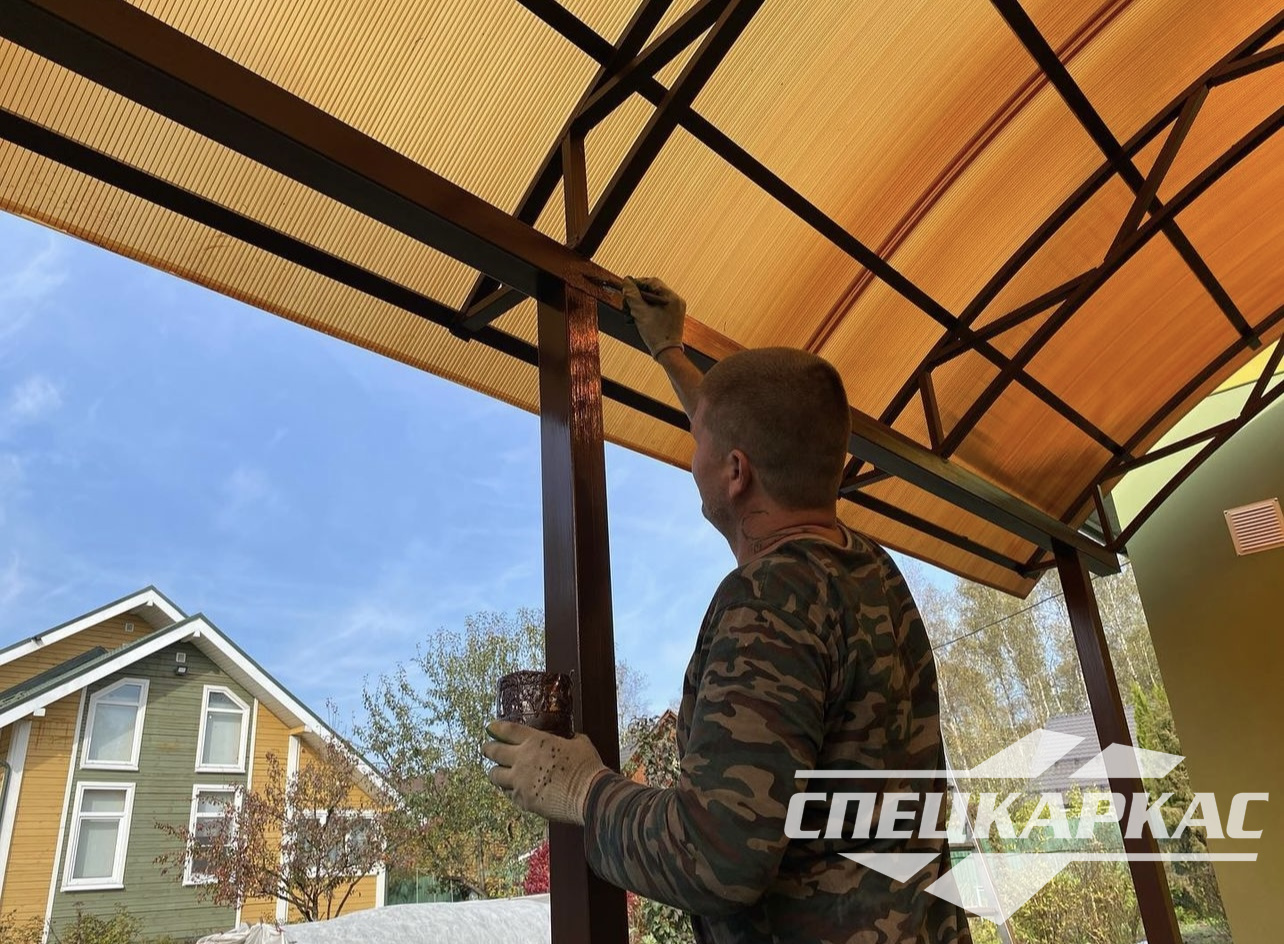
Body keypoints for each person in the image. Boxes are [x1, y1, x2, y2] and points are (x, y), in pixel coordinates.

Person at [483, 278, 969, 943]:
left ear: (736, 472)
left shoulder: (769, 602)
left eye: (698, 448)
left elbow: (716, 859)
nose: (692, 463)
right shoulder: (869, 573)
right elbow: (758, 439)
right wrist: (669, 352)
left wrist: (582, 791)